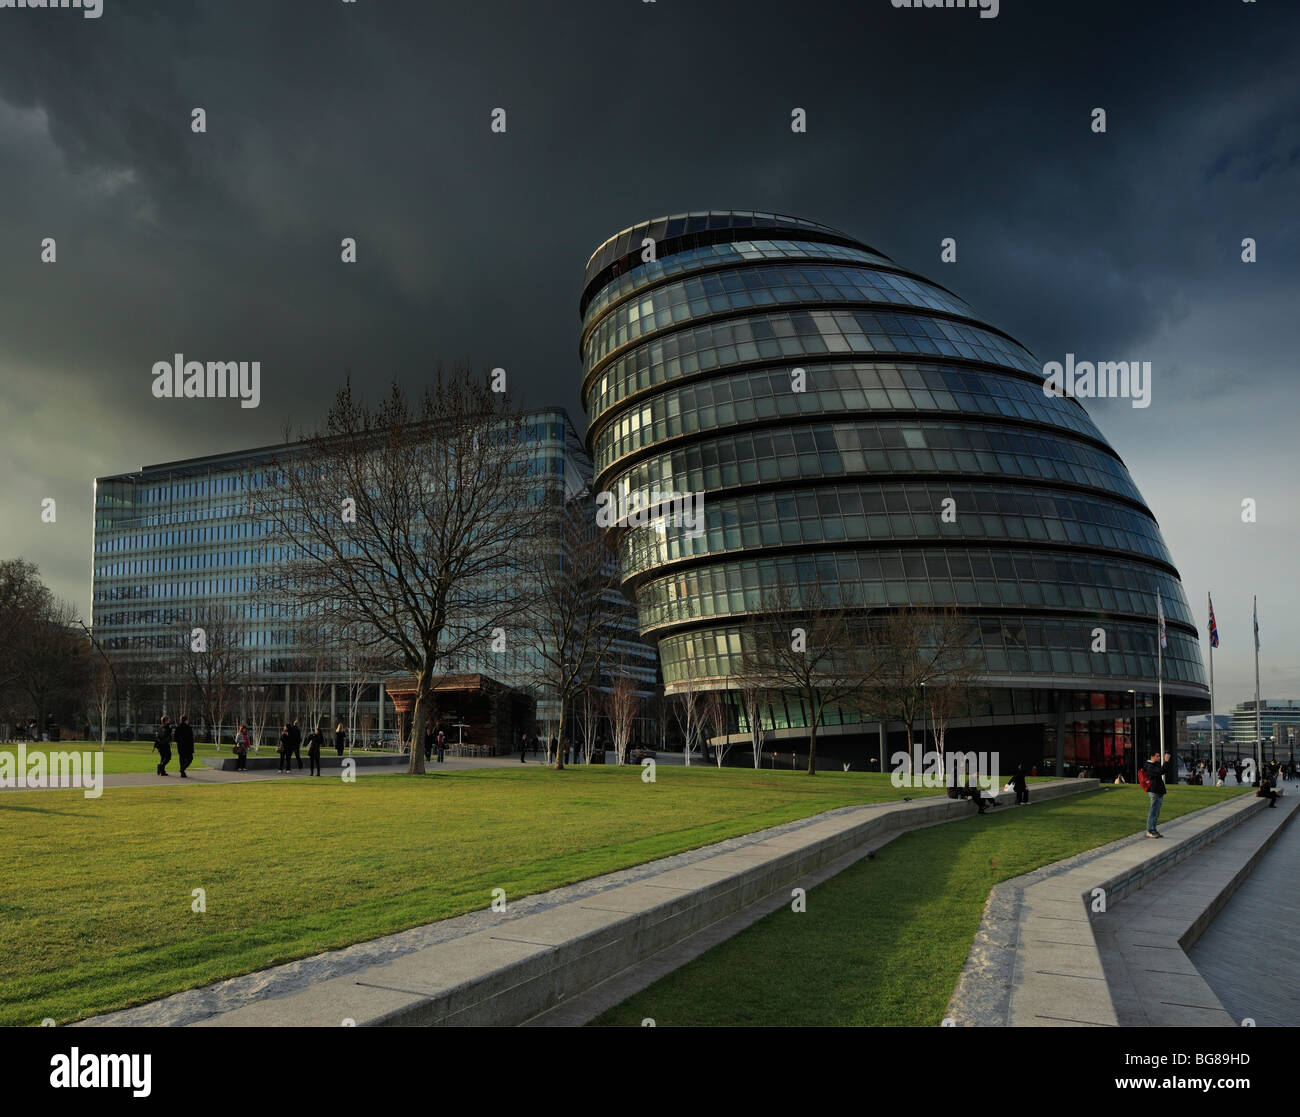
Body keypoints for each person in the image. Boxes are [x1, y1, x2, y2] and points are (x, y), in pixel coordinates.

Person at [1139, 749, 1166, 838]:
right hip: (1154, 791)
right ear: (1152, 757)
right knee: (1153, 811)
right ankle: (1150, 830)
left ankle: (1153, 829)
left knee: (1156, 812)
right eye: (1157, 756)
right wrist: (1166, 762)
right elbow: (1160, 772)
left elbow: (1161, 771)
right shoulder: (1149, 766)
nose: (1159, 758)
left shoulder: (1154, 765)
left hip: (1158, 791)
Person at [174, 714, 195, 778]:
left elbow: (175, 737)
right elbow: (191, 739)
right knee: (190, 758)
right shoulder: (189, 728)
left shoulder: (178, 727)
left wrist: (179, 742)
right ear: (186, 720)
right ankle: (183, 769)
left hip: (180, 746)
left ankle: (182, 771)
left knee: (181, 759)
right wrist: (192, 748)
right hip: (188, 746)